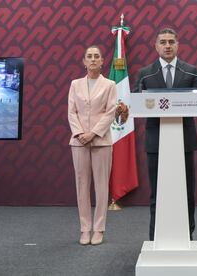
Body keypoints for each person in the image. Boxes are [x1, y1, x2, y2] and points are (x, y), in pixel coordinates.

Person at [132, 28, 197, 241]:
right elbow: (136, 101)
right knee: (158, 191)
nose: (167, 45)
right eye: (163, 42)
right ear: (156, 46)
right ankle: (156, 237)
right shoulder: (145, 74)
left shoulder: (192, 71)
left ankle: (187, 234)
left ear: (178, 45)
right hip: (156, 142)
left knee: (186, 191)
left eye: (171, 41)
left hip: (184, 141)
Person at [67, 45, 117, 245]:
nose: (93, 59)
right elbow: (72, 112)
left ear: (103, 61)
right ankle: (85, 229)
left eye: (97, 56)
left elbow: (110, 111)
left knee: (102, 187)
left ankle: (99, 229)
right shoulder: (75, 84)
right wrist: (80, 133)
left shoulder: (110, 84)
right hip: (79, 141)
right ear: (84, 61)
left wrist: (93, 133)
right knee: (82, 186)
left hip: (101, 141)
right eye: (90, 56)